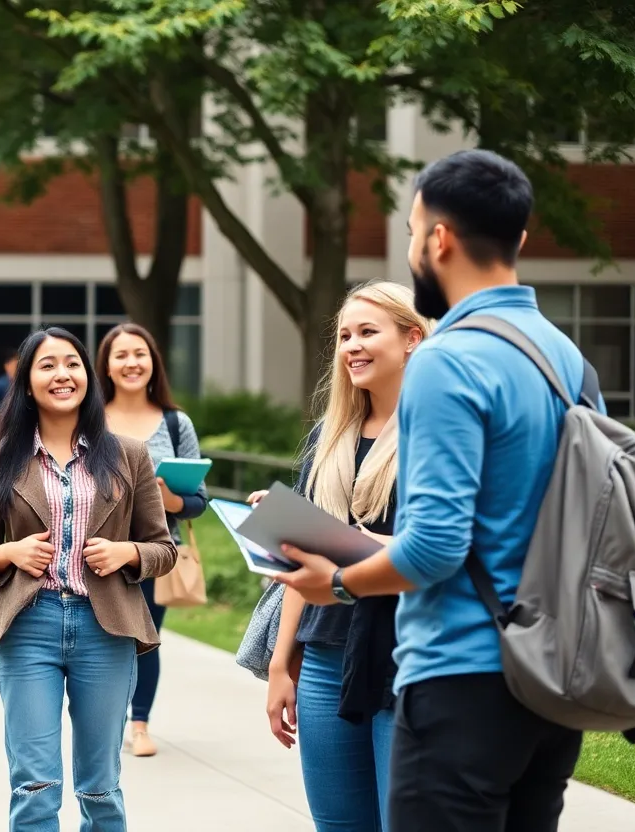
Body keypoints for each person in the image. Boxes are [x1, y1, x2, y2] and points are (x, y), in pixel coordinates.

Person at [276, 149, 604, 832]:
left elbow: (435, 547)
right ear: (517, 238)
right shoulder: (563, 356)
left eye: (409, 230)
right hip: (551, 680)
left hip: (461, 681)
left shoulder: (447, 360)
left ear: (439, 240)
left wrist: (336, 583)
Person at [0, 326, 177, 832]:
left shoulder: (129, 454)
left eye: (73, 363)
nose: (63, 374)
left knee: (100, 787)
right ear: (27, 382)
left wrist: (126, 553)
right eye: (48, 365)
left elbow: (164, 550)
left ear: (87, 376)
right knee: (34, 788)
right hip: (28, 628)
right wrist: (9, 553)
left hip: (106, 632)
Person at [251, 281, 429, 832]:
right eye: (345, 335)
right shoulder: (329, 438)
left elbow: (440, 550)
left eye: (368, 332)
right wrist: (283, 664)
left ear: (413, 339)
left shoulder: (437, 435)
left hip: (407, 654)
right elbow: (296, 569)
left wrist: (338, 540)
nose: (351, 345)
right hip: (325, 656)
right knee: (338, 823)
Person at [97, 322, 208, 758]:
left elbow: (198, 501)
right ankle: (105, 723)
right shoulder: (89, 418)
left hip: (155, 553)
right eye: (121, 355)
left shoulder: (176, 424)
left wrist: (170, 500)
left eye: (139, 354)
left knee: (145, 640)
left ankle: (139, 724)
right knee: (101, 641)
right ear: (105, 364)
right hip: (95, 553)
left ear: (153, 361)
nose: (131, 363)